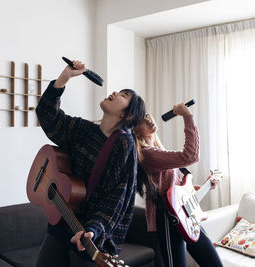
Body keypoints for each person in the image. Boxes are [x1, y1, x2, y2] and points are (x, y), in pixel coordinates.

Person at [35, 60, 146, 267]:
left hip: (90, 236)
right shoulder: (83, 130)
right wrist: (65, 77)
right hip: (61, 222)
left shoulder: (125, 144)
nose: (114, 93)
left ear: (127, 114)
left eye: (123, 95)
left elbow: (117, 198)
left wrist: (94, 229)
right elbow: (46, 114)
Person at [134, 104, 223, 267]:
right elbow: (190, 155)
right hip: (169, 217)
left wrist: (198, 188)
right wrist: (187, 116)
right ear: (134, 130)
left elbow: (174, 187)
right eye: (141, 119)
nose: (148, 119)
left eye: (147, 114)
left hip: (185, 216)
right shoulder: (148, 154)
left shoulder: (156, 151)